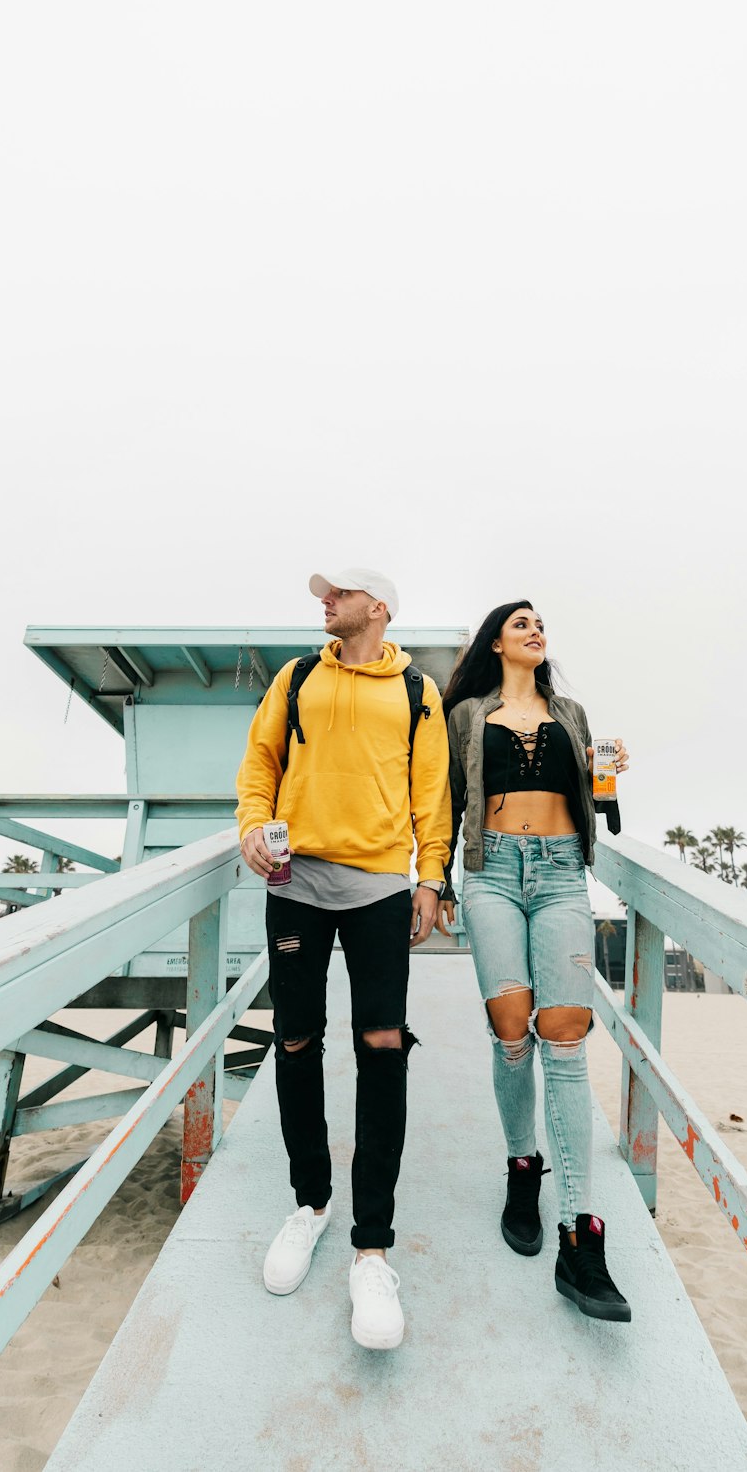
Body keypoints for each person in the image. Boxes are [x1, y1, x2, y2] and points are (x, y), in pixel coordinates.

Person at [236, 568, 451, 1350]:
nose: (325, 603)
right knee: (295, 1042)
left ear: (379, 607)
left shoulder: (418, 691)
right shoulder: (297, 678)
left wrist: (433, 877)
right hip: (294, 884)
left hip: (380, 891)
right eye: (323, 594)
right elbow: (260, 764)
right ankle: (311, 1205)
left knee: (382, 1049)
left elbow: (434, 792)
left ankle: (372, 1246)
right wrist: (252, 824)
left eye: (340, 593)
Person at [435, 600, 632, 1322]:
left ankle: (580, 1235)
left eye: (540, 622)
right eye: (520, 623)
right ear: (496, 642)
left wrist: (602, 776)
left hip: (558, 876)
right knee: (512, 1026)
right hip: (489, 873)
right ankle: (524, 1165)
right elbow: (447, 801)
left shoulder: (571, 713)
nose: (535, 629)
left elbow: (593, 803)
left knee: (567, 1032)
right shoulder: (468, 716)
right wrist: (436, 879)